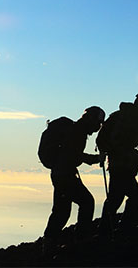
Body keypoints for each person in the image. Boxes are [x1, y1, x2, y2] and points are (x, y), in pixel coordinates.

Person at [42, 106, 105, 252]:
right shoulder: (78, 132)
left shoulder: (74, 130)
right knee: (86, 202)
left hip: (60, 173)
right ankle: (81, 239)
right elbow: (75, 155)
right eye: (98, 123)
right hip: (65, 175)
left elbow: (72, 154)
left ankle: (49, 243)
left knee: (61, 211)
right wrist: (96, 159)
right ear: (91, 120)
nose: (98, 127)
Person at [98, 92, 138, 235]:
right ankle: (123, 229)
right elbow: (124, 146)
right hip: (122, 166)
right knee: (134, 196)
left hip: (118, 165)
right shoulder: (129, 120)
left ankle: (106, 229)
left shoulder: (123, 117)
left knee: (115, 198)